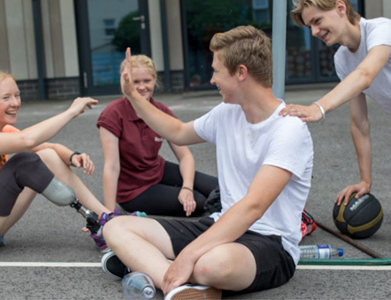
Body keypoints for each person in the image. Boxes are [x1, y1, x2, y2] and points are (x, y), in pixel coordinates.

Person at [101, 25, 314, 299]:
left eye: (216, 71)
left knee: (211, 264)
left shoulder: (289, 129)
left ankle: (154, 268)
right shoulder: (227, 113)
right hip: (219, 225)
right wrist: (132, 96)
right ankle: (177, 288)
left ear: (240, 73)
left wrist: (189, 254)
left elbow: (253, 206)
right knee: (115, 226)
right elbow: (177, 131)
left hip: (270, 242)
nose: (212, 79)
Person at [0, 70, 114, 256]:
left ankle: (107, 219)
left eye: (17, 95)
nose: (15, 103)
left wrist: (72, 156)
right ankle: (105, 221)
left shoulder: (3, 131)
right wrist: (71, 112)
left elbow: (48, 148)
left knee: (45, 155)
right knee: (24, 161)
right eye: (6, 97)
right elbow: (26, 140)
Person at [279, 0, 391, 206]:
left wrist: (318, 107)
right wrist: (365, 181)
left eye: (317, 20)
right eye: (309, 26)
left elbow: (365, 74)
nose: (313, 32)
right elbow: (360, 124)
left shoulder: (382, 30)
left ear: (340, 8)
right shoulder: (343, 60)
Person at [97, 54, 219, 217]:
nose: (141, 87)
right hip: (133, 190)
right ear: (126, 82)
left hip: (157, 171)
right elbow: (111, 167)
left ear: (155, 79)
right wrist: (109, 214)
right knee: (199, 203)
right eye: (135, 82)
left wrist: (186, 188)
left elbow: (185, 157)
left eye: (146, 81)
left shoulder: (161, 111)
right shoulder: (112, 114)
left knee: (219, 188)